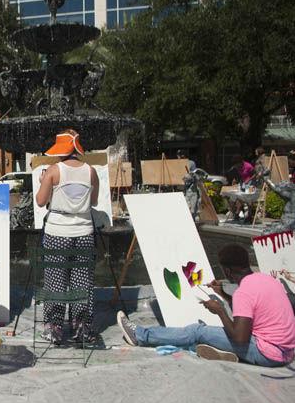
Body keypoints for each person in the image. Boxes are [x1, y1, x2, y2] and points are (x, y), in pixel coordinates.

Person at [117, 244, 295, 366]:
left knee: (198, 331)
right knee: (211, 333)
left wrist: (220, 311)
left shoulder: (244, 292)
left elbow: (240, 337)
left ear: (227, 270)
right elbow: (249, 312)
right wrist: (223, 294)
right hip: (286, 352)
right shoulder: (266, 279)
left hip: (268, 354)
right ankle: (221, 352)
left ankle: (139, 335)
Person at [35, 129, 99, 345]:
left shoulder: (53, 171)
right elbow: (95, 201)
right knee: (82, 283)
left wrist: (43, 181)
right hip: (84, 232)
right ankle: (82, 329)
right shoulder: (91, 171)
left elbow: (41, 201)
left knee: (55, 282)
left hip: (57, 233)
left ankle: (54, 329)